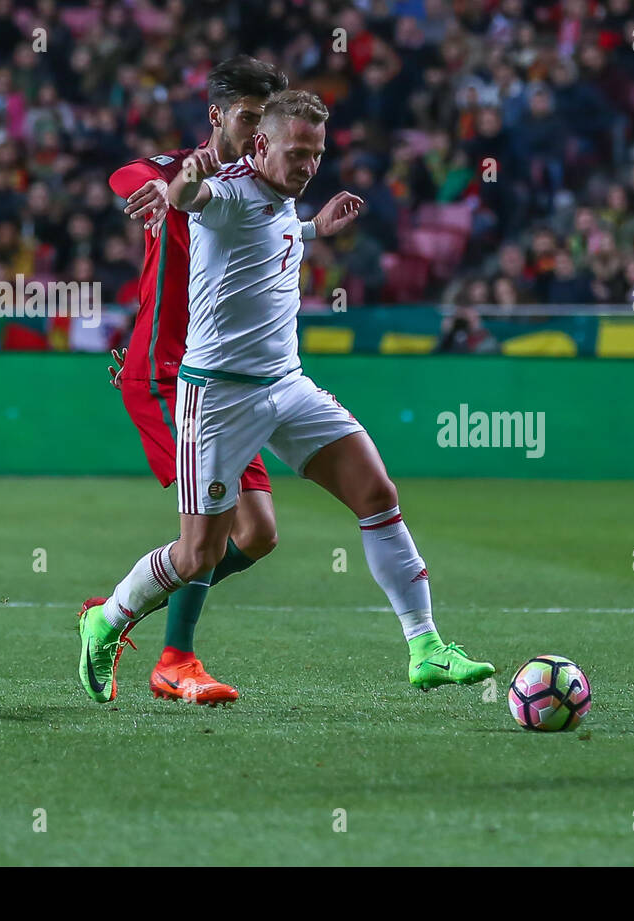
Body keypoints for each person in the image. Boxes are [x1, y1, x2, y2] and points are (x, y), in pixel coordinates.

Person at [76, 90, 495, 704]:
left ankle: (426, 646)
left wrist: (312, 227)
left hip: (286, 385)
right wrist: (184, 182)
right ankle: (107, 619)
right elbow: (197, 201)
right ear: (261, 144)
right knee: (199, 555)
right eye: (298, 152)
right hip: (216, 401)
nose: (308, 166)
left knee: (377, 493)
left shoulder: (279, 201)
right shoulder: (227, 192)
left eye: (318, 154)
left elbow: (269, 232)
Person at [89, 56, 292, 705]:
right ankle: (175, 657)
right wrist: (171, 185)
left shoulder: (263, 185)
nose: (261, 132)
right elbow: (126, 175)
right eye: (250, 117)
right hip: (167, 373)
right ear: (217, 115)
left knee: (257, 534)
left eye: (270, 120)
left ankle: (123, 612)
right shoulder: (173, 171)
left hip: (227, 378)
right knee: (206, 535)